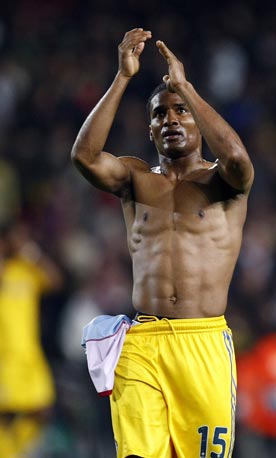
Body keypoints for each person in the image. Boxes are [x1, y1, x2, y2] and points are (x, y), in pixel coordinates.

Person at [71, 28, 254, 458]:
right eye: (159, 114)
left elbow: (239, 159)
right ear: (150, 131)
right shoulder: (135, 178)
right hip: (143, 342)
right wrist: (122, 78)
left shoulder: (223, 182)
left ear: (198, 120)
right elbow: (84, 157)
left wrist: (185, 86)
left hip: (203, 342)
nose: (170, 120)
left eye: (180, 111)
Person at [0, 222, 63, 457]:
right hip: (4, 356)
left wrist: (30, 252)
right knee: (5, 414)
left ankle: (14, 451)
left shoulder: (26, 270)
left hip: (29, 354)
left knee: (42, 410)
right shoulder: (5, 270)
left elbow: (55, 281)